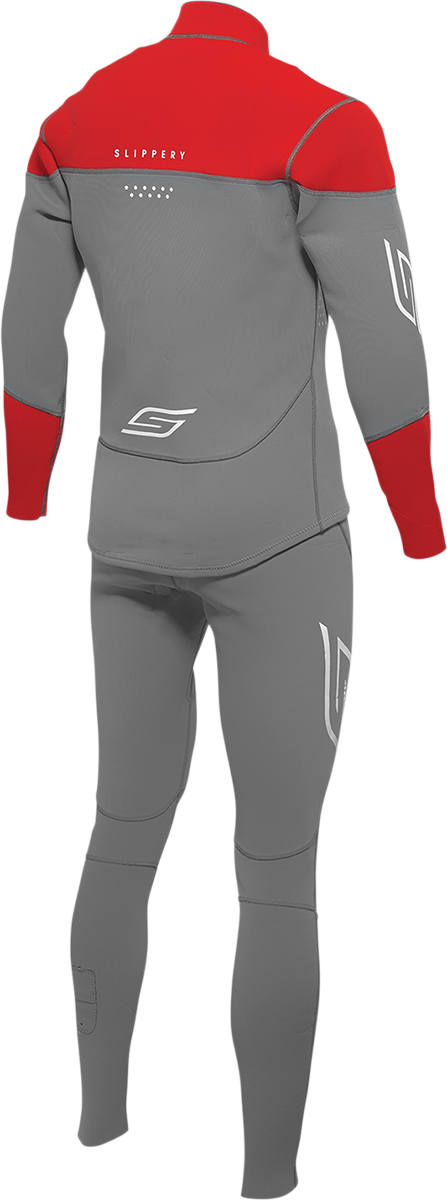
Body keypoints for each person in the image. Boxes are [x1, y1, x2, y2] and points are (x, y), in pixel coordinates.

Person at [2, 4, 445, 1196]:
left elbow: (26, 328)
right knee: (278, 866)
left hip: (125, 525)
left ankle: (99, 1120)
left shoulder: (73, 121)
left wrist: (27, 488)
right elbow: (386, 339)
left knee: (121, 827)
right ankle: (265, 1174)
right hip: (280, 537)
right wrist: (419, 517)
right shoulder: (327, 125)